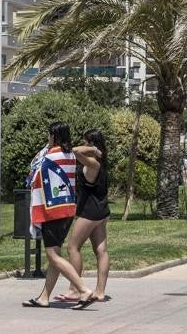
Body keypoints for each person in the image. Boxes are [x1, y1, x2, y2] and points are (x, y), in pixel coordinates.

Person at [22, 122, 94, 310]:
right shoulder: (70, 155)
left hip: (52, 211)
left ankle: (83, 289)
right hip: (67, 209)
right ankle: (44, 297)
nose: (47, 138)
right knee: (56, 254)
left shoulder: (50, 156)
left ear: (53, 135)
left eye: (49, 135)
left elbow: (35, 175)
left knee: (53, 256)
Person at [57, 129, 111, 305]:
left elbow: (74, 151)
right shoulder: (102, 164)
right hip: (102, 211)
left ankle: (74, 289)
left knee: (73, 247)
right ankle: (100, 292)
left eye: (86, 141)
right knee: (101, 251)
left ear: (92, 144)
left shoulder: (93, 164)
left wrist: (92, 150)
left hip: (89, 212)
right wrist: (94, 150)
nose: (83, 144)